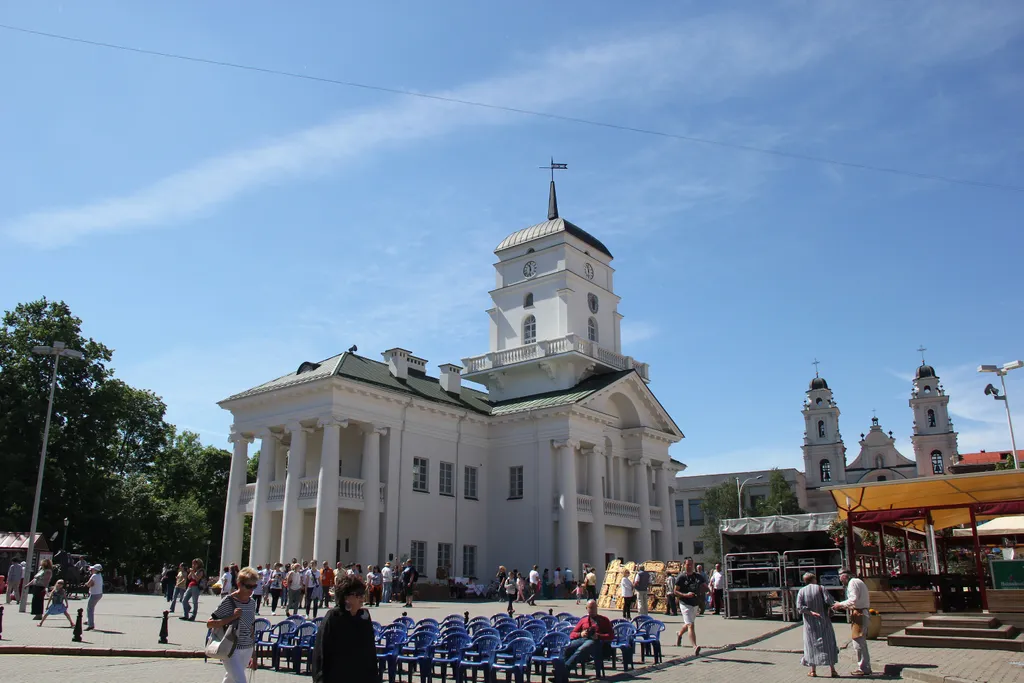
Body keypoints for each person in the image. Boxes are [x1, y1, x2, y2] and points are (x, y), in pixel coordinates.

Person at [311, 574, 379, 683]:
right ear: (346, 597)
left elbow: (370, 652)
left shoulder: (364, 617)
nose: (362, 599)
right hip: (336, 676)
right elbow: (321, 653)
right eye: (358, 595)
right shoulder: (333, 617)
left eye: (363, 594)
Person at [207, 566, 259, 683]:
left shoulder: (252, 603)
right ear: (239, 584)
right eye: (248, 586)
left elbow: (251, 628)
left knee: (230, 679)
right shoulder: (229, 601)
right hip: (231, 648)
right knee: (240, 680)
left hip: (247, 648)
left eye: (254, 586)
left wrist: (254, 655)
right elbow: (210, 623)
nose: (251, 590)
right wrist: (232, 617)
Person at [797, 572, 839, 678]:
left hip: (810, 624)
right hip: (824, 620)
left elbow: (799, 607)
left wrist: (810, 612)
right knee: (828, 643)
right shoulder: (821, 588)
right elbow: (829, 601)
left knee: (811, 645)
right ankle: (833, 670)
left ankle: (813, 671)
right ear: (814, 579)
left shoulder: (801, 591)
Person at [833, 568, 871, 677]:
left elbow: (853, 600)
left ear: (845, 575)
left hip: (859, 613)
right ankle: (865, 667)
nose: (840, 579)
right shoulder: (857, 581)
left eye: (840, 576)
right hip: (860, 612)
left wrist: (839, 605)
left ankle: (863, 667)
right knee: (860, 641)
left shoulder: (853, 583)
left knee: (858, 642)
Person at [563, 599, 614, 673]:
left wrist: (599, 636)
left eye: (594, 608)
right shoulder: (583, 620)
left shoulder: (604, 620)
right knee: (567, 647)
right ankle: (564, 673)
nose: (592, 610)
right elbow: (572, 634)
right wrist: (581, 634)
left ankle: (565, 669)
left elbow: (611, 635)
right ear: (587, 608)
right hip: (583, 639)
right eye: (590, 608)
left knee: (582, 649)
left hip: (597, 642)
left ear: (596, 608)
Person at [673, 558, 706, 657]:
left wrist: (709, 590)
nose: (689, 566)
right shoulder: (681, 577)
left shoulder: (698, 577)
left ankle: (679, 634)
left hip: (695, 603)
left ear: (693, 565)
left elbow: (704, 585)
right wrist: (685, 595)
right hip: (685, 603)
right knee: (691, 625)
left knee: (688, 624)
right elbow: (675, 591)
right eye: (688, 564)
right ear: (684, 565)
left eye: (691, 564)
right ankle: (695, 646)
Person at [84, 564, 104, 631]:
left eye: (92, 569)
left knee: (90, 609)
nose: (91, 570)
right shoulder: (99, 575)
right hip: (99, 594)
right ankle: (88, 620)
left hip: (94, 594)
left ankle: (91, 625)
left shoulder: (94, 576)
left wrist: (86, 584)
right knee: (90, 608)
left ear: (95, 570)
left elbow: (89, 584)